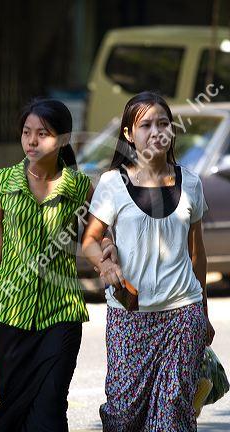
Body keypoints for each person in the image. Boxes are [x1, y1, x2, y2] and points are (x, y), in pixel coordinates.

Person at [0, 97, 113, 432]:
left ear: (64, 139)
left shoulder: (80, 187)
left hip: (61, 313)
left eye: (43, 133)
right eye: (27, 132)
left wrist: (108, 254)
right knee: (11, 410)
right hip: (10, 310)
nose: (32, 140)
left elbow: (98, 235)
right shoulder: (3, 182)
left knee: (50, 411)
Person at [82, 91, 215, 432]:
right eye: (145, 125)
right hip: (129, 314)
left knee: (172, 412)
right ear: (128, 134)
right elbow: (90, 240)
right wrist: (106, 266)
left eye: (163, 123)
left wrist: (204, 312)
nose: (155, 131)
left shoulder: (192, 184)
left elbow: (196, 253)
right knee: (123, 413)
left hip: (182, 313)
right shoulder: (112, 183)